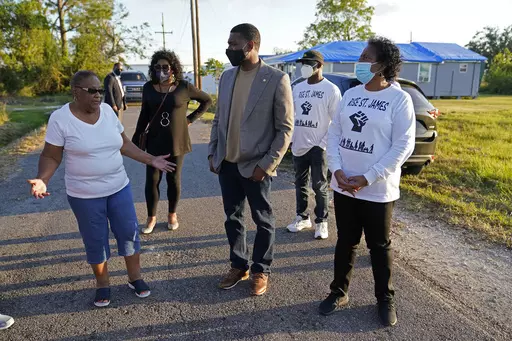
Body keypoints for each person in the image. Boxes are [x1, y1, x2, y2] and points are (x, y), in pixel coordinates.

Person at [27, 71, 176, 307]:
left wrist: (151, 160)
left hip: (119, 187)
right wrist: (43, 178)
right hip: (84, 195)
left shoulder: (107, 111)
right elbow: (51, 156)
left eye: (100, 91)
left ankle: (135, 277)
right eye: (92, 91)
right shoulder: (60, 119)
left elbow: (125, 145)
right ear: (76, 91)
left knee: (128, 233)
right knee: (96, 241)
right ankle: (102, 283)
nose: (98, 95)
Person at [319, 37, 415, 327]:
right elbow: (334, 133)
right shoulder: (351, 94)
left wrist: (369, 176)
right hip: (344, 185)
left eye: (366, 56)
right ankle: (339, 292)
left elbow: (403, 145)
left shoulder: (399, 99)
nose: (360, 61)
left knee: (379, 245)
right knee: (346, 242)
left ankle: (385, 298)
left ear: (384, 64)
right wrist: (336, 170)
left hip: (377, 190)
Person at [208, 23, 294, 296]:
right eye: (229, 43)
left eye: (234, 44)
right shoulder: (227, 77)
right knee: (232, 218)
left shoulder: (276, 79)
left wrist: (267, 165)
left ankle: (260, 269)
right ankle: (238, 264)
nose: (229, 49)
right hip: (228, 163)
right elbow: (219, 119)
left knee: (263, 220)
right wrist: (213, 152)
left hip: (256, 166)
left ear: (251, 45)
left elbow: (285, 128)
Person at [132, 50, 212, 234]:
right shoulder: (148, 88)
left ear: (174, 68)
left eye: (165, 67)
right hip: (154, 142)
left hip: (177, 142)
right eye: (157, 67)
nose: (162, 71)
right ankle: (151, 217)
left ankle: (172, 214)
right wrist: (137, 139)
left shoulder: (184, 87)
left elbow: (206, 101)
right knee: (152, 181)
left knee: (173, 180)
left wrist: (190, 119)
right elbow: (144, 115)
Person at [286, 50, 341, 240]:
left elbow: (337, 121)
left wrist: (323, 143)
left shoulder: (331, 89)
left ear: (320, 65)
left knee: (319, 185)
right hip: (299, 144)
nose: (305, 67)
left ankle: (321, 221)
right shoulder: (298, 88)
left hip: (319, 146)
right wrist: (291, 139)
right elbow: (291, 116)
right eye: (303, 63)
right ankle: (302, 217)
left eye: (309, 63)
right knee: (300, 183)